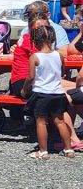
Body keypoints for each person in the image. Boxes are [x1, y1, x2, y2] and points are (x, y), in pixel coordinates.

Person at [25, 24, 75, 160]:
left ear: (35, 41)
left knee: (41, 122)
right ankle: (68, 149)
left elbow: (30, 77)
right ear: (53, 40)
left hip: (41, 93)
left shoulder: (35, 57)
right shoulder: (59, 55)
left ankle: (43, 151)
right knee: (60, 122)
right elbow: (63, 72)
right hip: (57, 92)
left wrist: (25, 89)